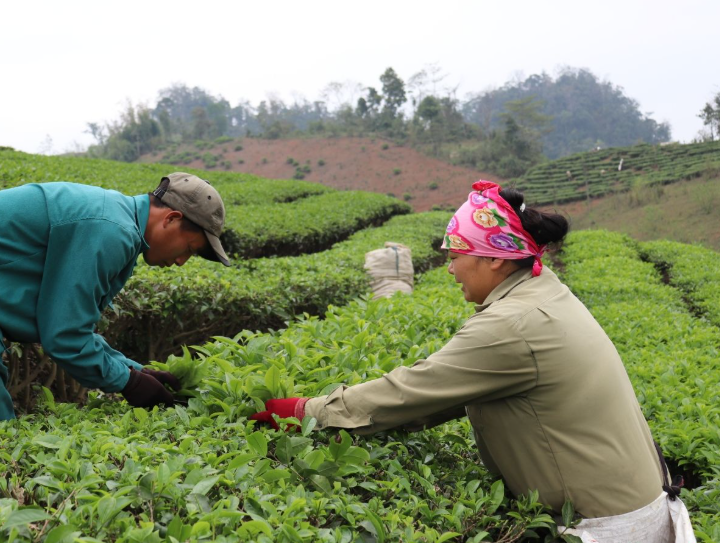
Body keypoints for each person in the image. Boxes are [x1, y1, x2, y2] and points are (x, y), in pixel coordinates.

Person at [252, 181, 694, 541]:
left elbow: (412, 389)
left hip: (606, 528)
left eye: (457, 255)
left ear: (498, 260)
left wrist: (304, 414)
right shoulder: (543, 291)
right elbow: (440, 397)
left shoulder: (515, 324)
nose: (449, 268)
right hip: (638, 507)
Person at [0, 172, 230, 423]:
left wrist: (135, 370)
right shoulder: (112, 230)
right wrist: (129, 383)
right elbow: (64, 337)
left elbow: (73, 325)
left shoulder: (116, 221)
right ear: (171, 218)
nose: (182, 261)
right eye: (190, 248)